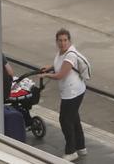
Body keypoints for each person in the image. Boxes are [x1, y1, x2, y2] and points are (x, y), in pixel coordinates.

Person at [40, 28, 88, 161]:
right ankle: (81, 147)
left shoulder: (70, 54)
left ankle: (71, 151)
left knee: (65, 120)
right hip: (72, 91)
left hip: (73, 92)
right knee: (73, 118)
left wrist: (46, 75)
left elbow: (61, 74)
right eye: (60, 40)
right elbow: (59, 64)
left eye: (65, 40)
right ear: (57, 42)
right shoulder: (61, 52)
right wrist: (50, 67)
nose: (62, 43)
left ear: (69, 40)